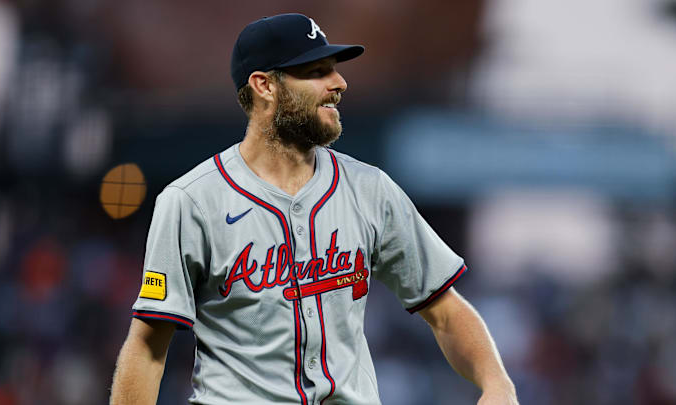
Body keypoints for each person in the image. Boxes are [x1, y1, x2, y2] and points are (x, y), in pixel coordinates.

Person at [110, 13, 518, 405]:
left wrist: (496, 382)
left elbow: (444, 310)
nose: (338, 82)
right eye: (316, 71)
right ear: (264, 85)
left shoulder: (370, 189)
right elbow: (147, 348)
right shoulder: (192, 201)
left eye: (334, 69)